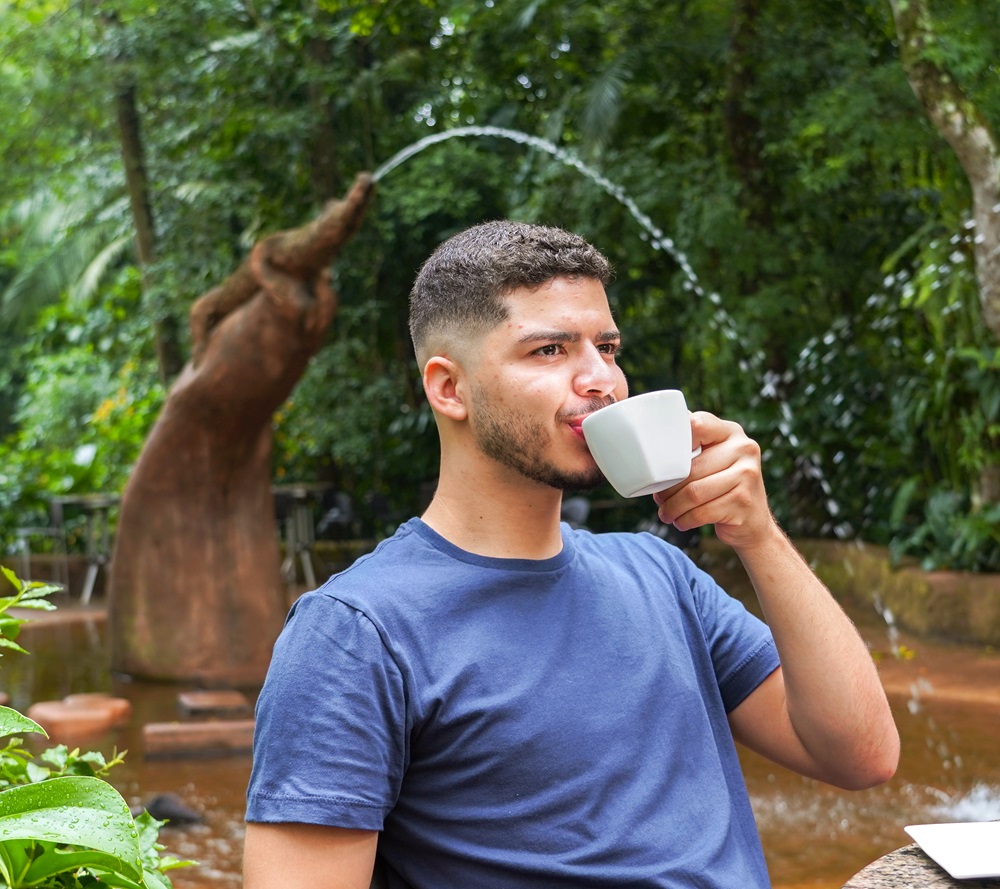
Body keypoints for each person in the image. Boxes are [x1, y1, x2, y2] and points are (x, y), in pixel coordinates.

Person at [243, 221, 899, 889]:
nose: (602, 380)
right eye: (550, 349)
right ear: (449, 388)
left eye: (607, 347)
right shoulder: (355, 632)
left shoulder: (661, 576)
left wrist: (759, 534)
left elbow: (861, 755)